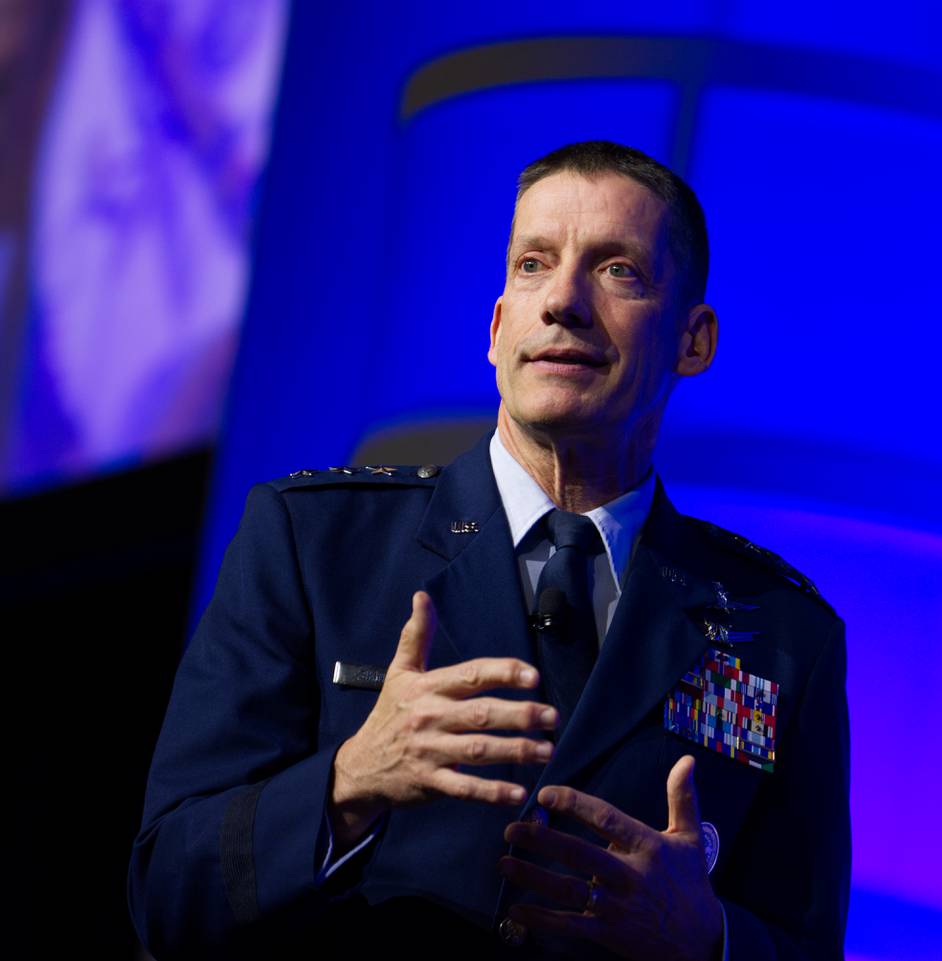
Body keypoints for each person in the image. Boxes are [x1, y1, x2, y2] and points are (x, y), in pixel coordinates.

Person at [129, 141, 850, 959]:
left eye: (618, 271)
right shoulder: (313, 543)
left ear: (694, 341)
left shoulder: (785, 633)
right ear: (499, 324)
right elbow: (166, 893)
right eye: (535, 264)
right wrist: (350, 780)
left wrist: (709, 939)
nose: (565, 302)